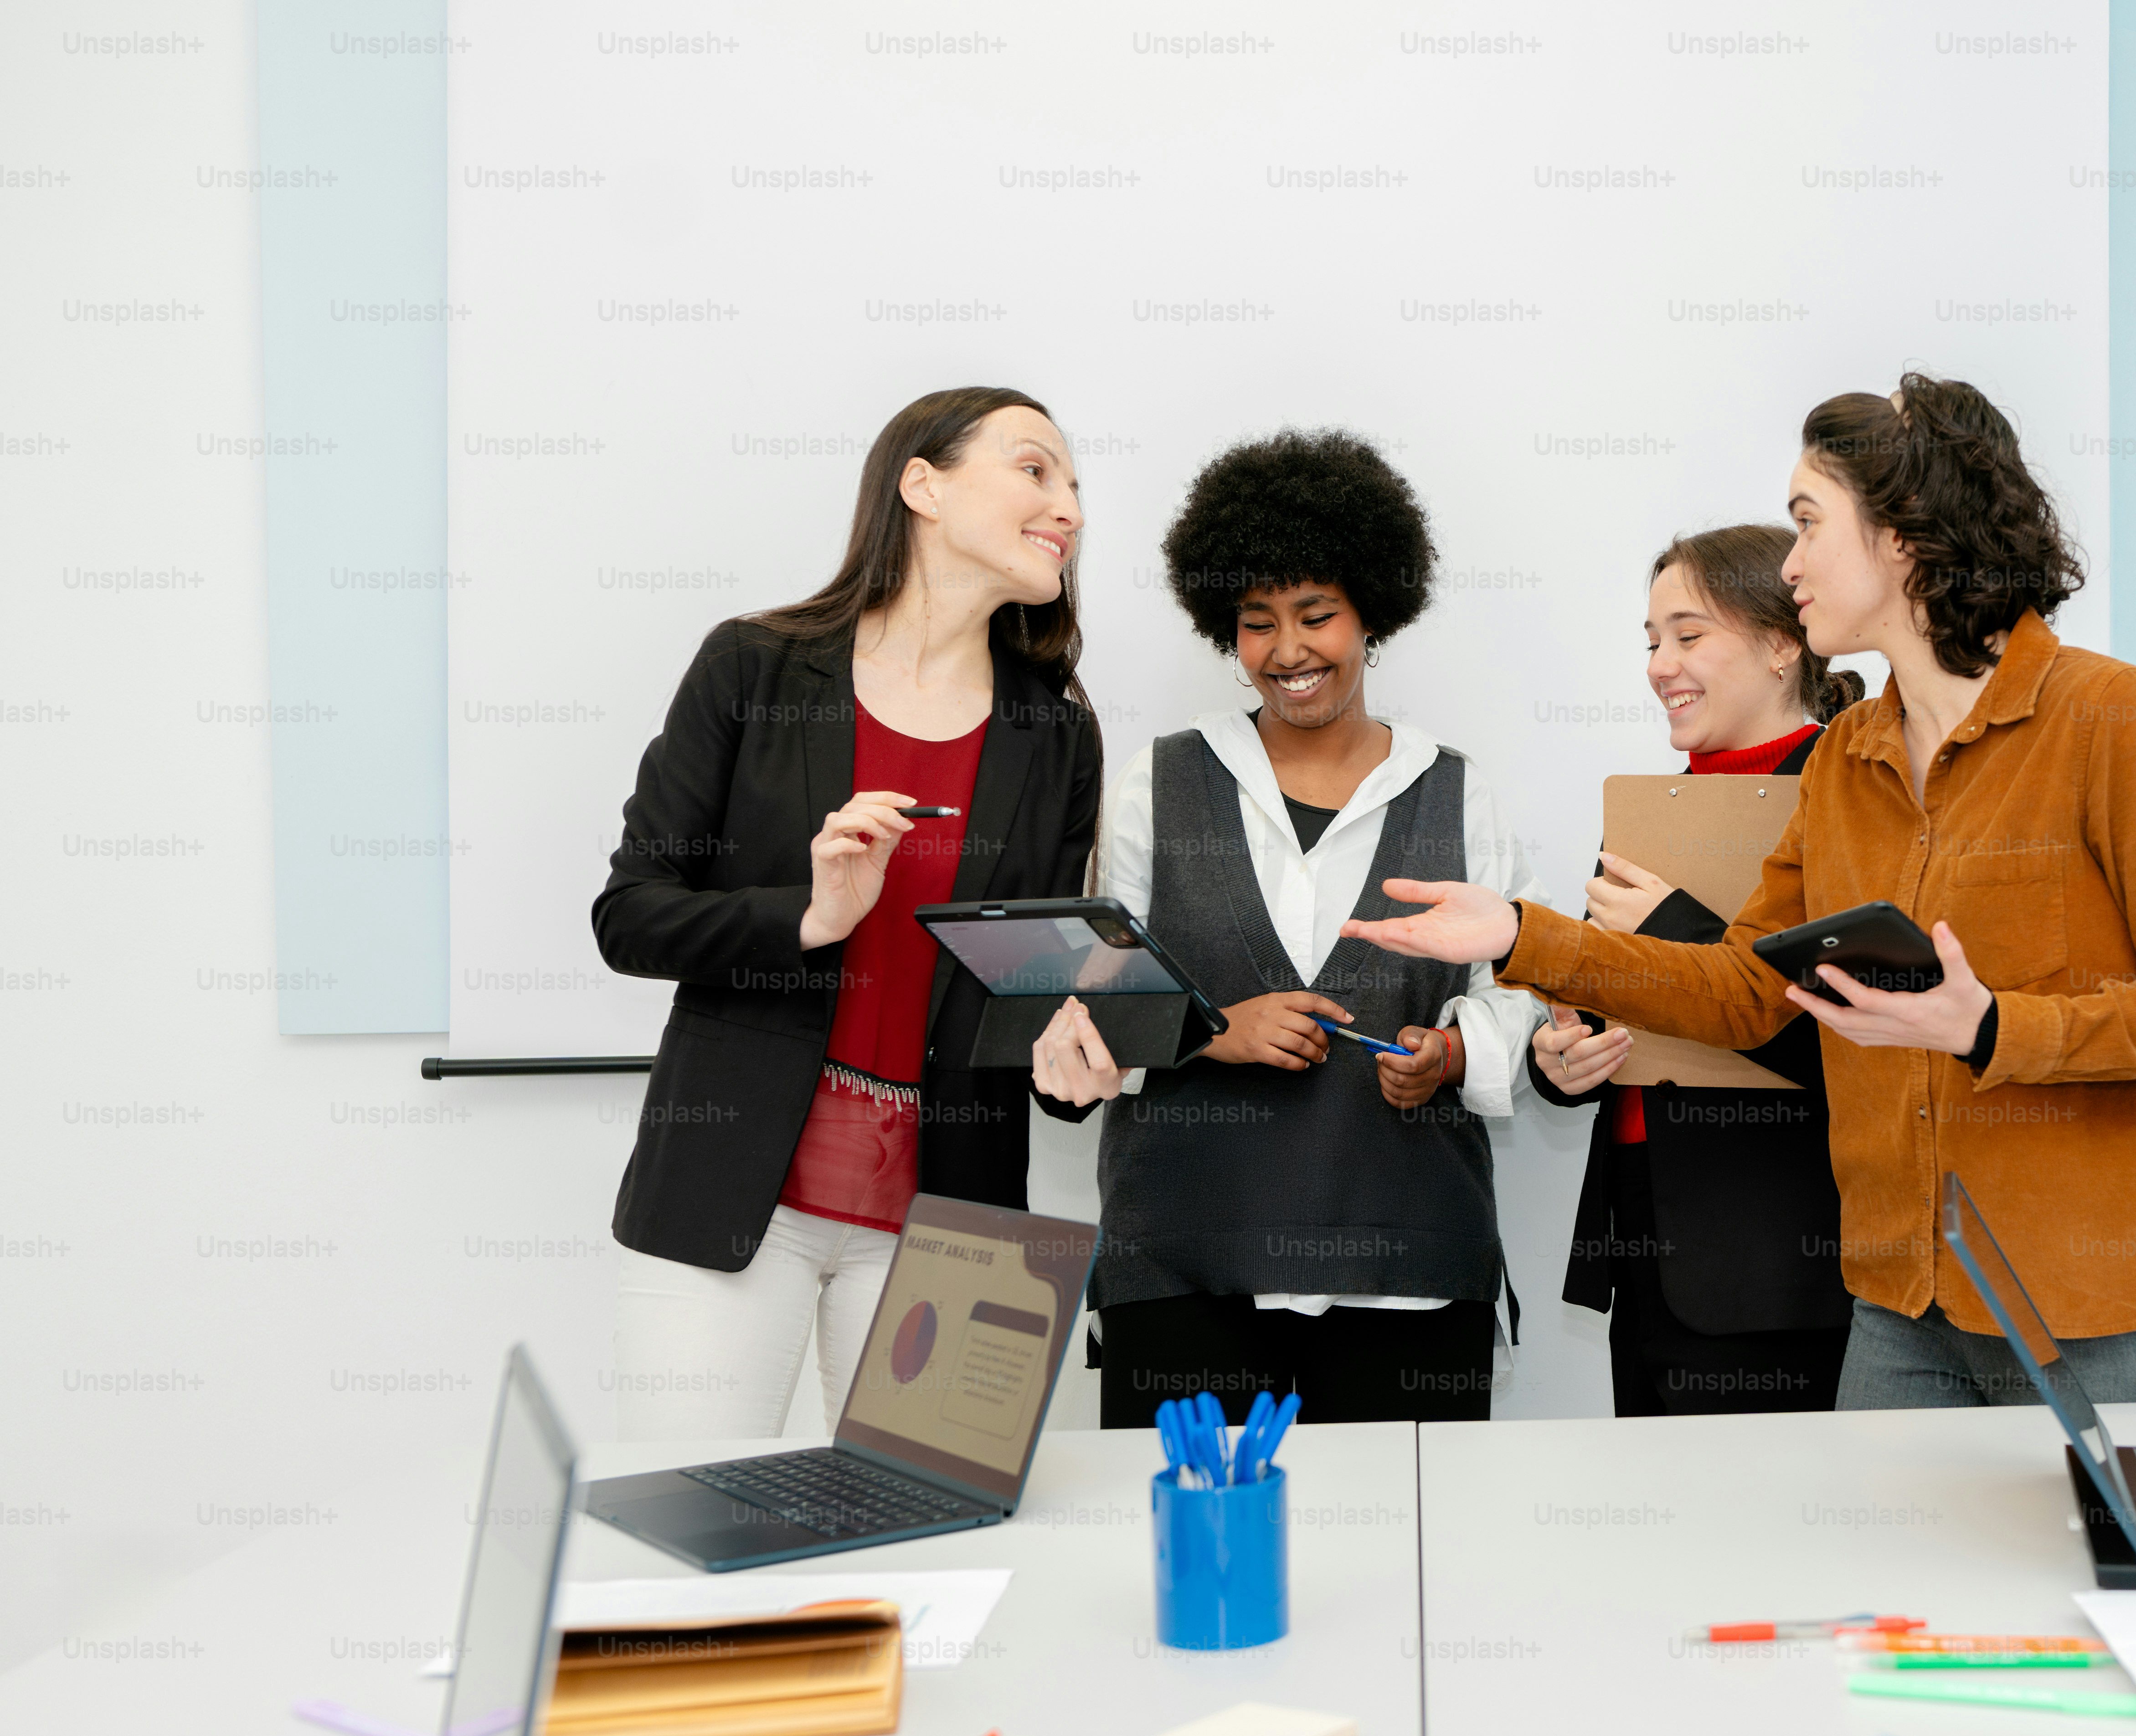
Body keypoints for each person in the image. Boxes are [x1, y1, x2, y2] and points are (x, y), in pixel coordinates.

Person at [1345, 373, 2136, 1412]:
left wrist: (1997, 1027)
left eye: (1805, 525)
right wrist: (1524, 934)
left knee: (2111, 1579)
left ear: (1902, 535)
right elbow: (1743, 992)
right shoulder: (1846, 762)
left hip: (2100, 1303)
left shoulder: (2113, 719)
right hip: (1898, 1303)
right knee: (1875, 1581)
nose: (1786, 566)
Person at [593, 387, 1104, 1439]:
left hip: (959, 1222)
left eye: (1075, 485)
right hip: (733, 1189)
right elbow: (631, 915)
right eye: (1035, 470)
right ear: (922, 484)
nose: (1069, 508)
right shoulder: (755, 664)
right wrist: (812, 916)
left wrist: (1073, 1063)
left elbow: (1033, 989)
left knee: (939, 1548)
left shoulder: (1054, 732)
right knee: (692, 1527)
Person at [1029, 429, 1547, 1426]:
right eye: (1257, 623)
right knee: (1189, 1554)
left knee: (1399, 1569)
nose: (1288, 650)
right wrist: (1213, 1030)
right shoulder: (1161, 779)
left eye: (1317, 615)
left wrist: (1448, 1053)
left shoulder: (1454, 787)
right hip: (1182, 1260)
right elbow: (1094, 999)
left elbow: (1517, 989)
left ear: (1372, 614)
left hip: (1405, 1263)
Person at [1529, 524, 1863, 1415]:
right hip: (1643, 1248)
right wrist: (1558, 1060)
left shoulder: (1849, 794)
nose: (1658, 665)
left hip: (1773, 1265)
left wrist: (1676, 928)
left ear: (1780, 644)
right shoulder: (1649, 814)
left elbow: (1858, 1036)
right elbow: (1595, 1013)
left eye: (1687, 635)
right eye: (1649, 642)